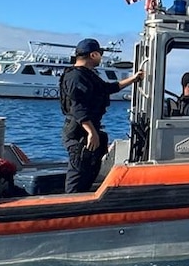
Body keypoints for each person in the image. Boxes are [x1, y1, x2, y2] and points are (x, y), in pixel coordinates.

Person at [60, 38, 144, 193]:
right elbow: (78, 108)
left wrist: (134, 79)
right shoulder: (75, 77)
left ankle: (84, 201)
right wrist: (91, 132)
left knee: (89, 171)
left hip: (88, 130)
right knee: (78, 174)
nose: (101, 57)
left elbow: (107, 88)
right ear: (93, 55)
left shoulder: (88, 75)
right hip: (79, 133)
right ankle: (70, 206)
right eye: (99, 54)